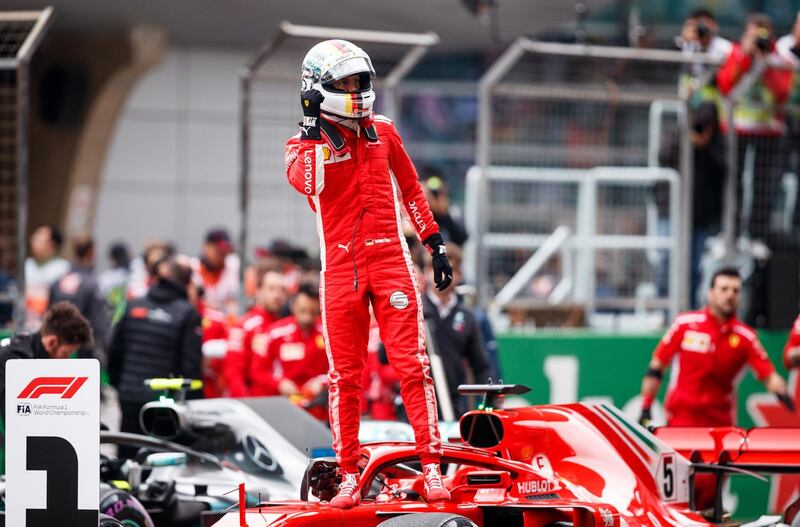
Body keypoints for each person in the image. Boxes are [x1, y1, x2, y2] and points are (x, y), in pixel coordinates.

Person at [285, 39, 454, 507]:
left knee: (413, 368)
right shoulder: (302, 146)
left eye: (361, 81)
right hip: (340, 270)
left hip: (392, 263)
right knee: (345, 377)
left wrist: (434, 243)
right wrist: (311, 126)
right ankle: (347, 476)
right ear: (317, 87)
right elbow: (310, 184)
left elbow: (412, 189)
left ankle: (433, 467)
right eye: (345, 83)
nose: (357, 90)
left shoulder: (384, 130)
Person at [638, 268, 791, 428]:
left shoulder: (746, 337)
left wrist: (784, 394)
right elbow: (657, 366)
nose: (730, 295)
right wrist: (646, 406)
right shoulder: (685, 325)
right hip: (680, 420)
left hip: (720, 425)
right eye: (724, 289)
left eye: (735, 290)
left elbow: (769, 376)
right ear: (710, 293)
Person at [108, 256, 202, 447]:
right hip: (163, 401)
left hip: (129, 393)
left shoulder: (134, 305)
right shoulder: (188, 313)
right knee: (158, 458)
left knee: (127, 455)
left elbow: (114, 351)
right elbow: (190, 366)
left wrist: (121, 385)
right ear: (188, 283)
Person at [717, 13, 794, 241]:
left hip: (767, 131)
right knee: (733, 183)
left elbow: (782, 94)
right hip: (737, 129)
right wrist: (744, 57)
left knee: (763, 185)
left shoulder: (778, 59)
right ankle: (731, 231)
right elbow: (725, 85)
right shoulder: (736, 53)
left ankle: (757, 235)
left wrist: (766, 63)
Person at [421, 244, 493, 416]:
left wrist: (489, 402)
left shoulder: (467, 317)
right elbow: (385, 355)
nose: (440, 275)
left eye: (448, 269)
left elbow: (480, 365)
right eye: (434, 268)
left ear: (459, 275)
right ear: (425, 272)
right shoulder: (414, 310)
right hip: (415, 404)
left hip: (451, 406)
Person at [0, 302, 93, 422]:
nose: (66, 360)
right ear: (52, 342)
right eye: (65, 354)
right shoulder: (14, 360)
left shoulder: (36, 354)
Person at [249, 283, 327, 400]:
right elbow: (257, 370)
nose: (307, 317)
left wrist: (322, 381)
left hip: (318, 405)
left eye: (312, 312)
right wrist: (279, 383)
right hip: (283, 403)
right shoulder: (275, 333)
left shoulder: (327, 334)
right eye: (303, 310)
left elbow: (341, 368)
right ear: (294, 306)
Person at [223, 265, 287, 397]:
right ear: (258, 290)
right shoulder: (244, 326)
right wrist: (246, 404)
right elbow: (233, 373)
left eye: (282, 290)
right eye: (271, 289)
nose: (278, 295)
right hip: (255, 403)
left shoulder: (287, 326)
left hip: (284, 402)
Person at [48, 235, 111, 365]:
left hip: (56, 348)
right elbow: (99, 322)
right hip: (82, 352)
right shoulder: (91, 284)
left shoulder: (57, 282)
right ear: (91, 251)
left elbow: (48, 313)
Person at [24, 225, 70, 330]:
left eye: (39, 239)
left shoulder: (62, 268)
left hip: (49, 326)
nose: (34, 241)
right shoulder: (27, 265)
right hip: (26, 323)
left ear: (52, 245)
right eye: (34, 238)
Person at [192, 228, 240, 318]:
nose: (222, 255)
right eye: (218, 251)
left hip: (220, 322)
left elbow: (231, 304)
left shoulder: (231, 267)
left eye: (225, 252)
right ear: (205, 247)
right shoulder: (193, 268)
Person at [421, 172, 468, 246]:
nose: (440, 197)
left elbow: (462, 238)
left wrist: (444, 214)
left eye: (442, 193)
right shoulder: (415, 211)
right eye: (435, 193)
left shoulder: (452, 211)